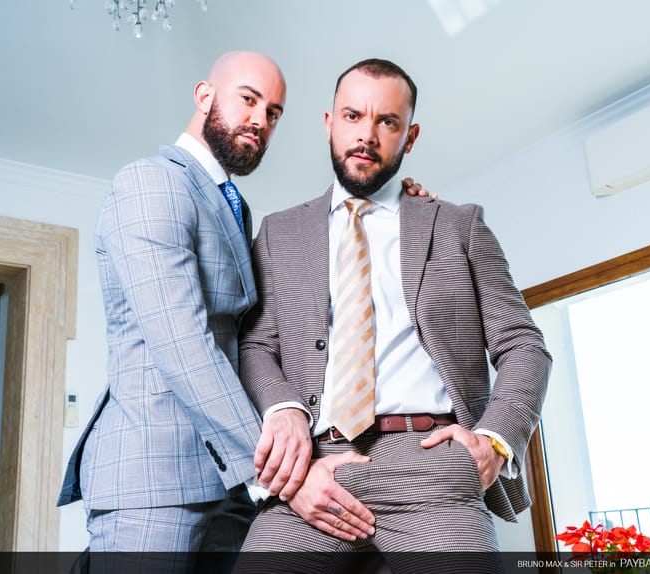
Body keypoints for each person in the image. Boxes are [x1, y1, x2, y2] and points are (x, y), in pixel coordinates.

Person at [56, 51, 428, 564]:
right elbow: (183, 343)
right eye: (248, 100)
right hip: (155, 479)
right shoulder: (149, 182)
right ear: (204, 95)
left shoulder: (233, 205)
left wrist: (391, 210)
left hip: (230, 487)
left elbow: (260, 332)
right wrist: (284, 476)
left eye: (273, 112)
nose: (260, 120)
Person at [235, 58, 551, 570]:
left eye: (387, 121)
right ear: (329, 123)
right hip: (316, 472)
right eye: (352, 116)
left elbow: (523, 345)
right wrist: (283, 410)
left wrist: (495, 441)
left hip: (432, 466)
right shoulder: (278, 233)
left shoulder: (458, 225)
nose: (367, 135)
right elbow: (254, 346)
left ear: (411, 135)